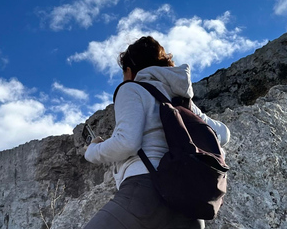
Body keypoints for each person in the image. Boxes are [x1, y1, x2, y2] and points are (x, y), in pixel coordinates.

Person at [83, 36, 230, 229]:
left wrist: (93, 150)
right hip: (189, 204)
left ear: (129, 70)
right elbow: (223, 134)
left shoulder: (132, 88)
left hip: (145, 193)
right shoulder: (184, 101)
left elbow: (127, 142)